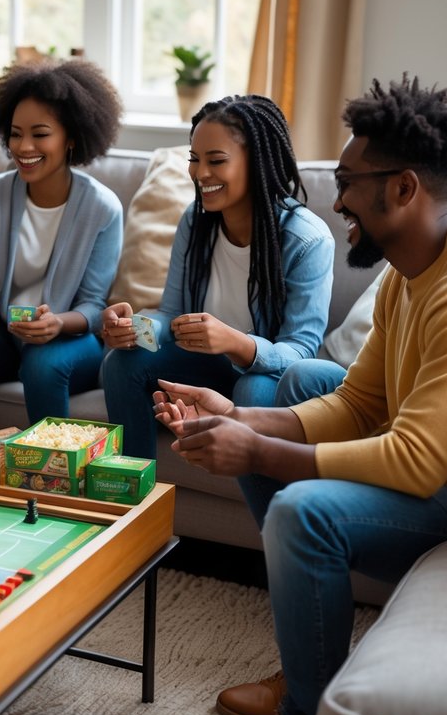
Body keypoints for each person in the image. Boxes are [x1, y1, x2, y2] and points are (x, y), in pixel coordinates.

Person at [153, 75, 447, 715]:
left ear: (402, 188)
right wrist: (238, 418)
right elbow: (360, 403)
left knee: (303, 513)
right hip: (438, 472)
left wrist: (257, 450)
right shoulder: (411, 267)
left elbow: (416, 464)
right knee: (300, 382)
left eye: (349, 181)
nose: (336, 201)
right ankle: (310, 654)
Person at [100, 95, 333, 458]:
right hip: (203, 365)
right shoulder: (195, 222)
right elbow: (172, 315)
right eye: (194, 159)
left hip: (262, 374)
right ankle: (135, 491)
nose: (200, 173)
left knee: (253, 391)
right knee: (121, 363)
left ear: (255, 163)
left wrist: (237, 343)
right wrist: (137, 327)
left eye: (216, 161)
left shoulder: (306, 239)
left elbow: (302, 350)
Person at [0, 58, 123, 435]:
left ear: (71, 138)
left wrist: (57, 324)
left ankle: (48, 478)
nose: (24, 147)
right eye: (16, 134)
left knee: (41, 361)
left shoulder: (102, 208)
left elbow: (95, 306)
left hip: (71, 342)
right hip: (6, 334)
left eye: (40, 134)